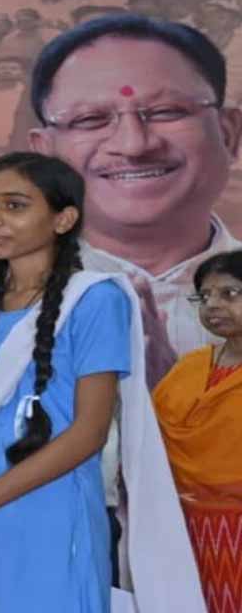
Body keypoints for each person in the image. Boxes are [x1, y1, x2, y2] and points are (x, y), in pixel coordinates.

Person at [0, 152, 202, 612]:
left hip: (47, 512)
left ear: (63, 219)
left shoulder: (95, 297)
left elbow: (87, 433)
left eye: (14, 205)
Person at [28, 14, 242, 367]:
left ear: (228, 134)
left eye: (166, 112)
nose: (134, 145)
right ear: (45, 155)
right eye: (90, 119)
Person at [153, 249, 242, 611]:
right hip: (185, 529)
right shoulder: (190, 366)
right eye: (204, 296)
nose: (213, 305)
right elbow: (150, 439)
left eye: (229, 293)